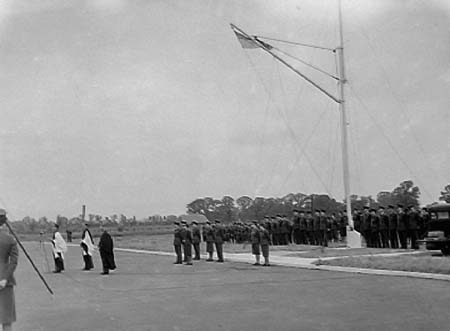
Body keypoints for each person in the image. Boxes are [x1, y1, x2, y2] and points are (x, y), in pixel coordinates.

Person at [0, 209, 18, 331]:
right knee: (6, 319)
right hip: (5, 282)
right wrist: (5, 278)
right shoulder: (10, 239)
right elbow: (13, 261)